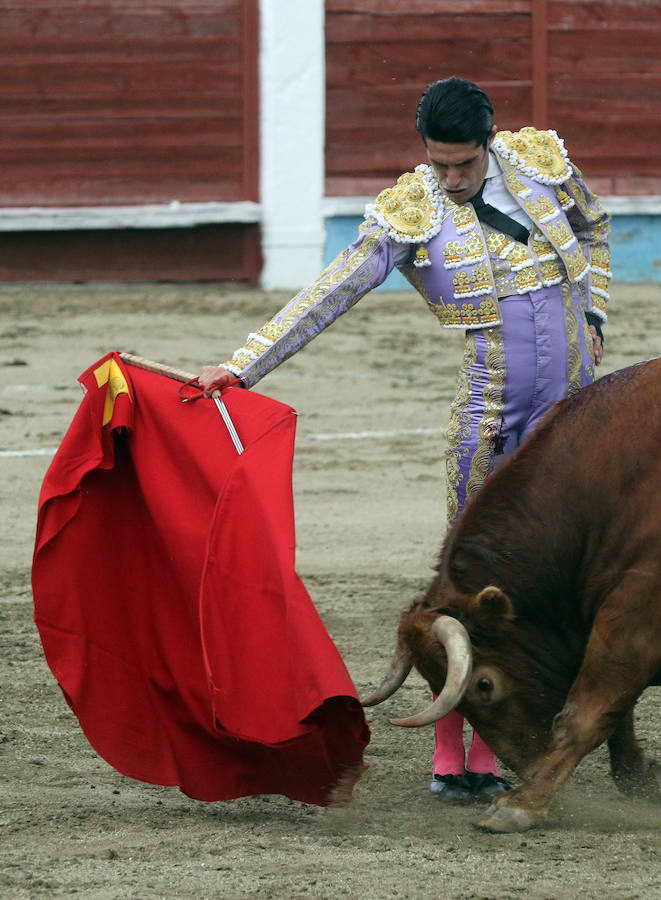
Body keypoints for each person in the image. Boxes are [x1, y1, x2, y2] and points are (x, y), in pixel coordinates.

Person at [198, 76, 611, 803]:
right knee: (470, 580)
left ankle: (565, 717)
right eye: (438, 164)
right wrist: (241, 366)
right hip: (489, 414)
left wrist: (596, 313)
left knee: (567, 570)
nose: (449, 181)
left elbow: (593, 226)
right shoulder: (410, 213)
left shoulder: (539, 165)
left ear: (489, 142)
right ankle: (459, 748)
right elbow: (329, 292)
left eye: (463, 166)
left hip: (570, 419)